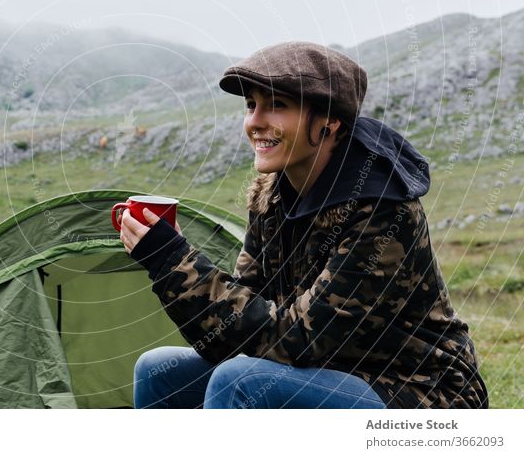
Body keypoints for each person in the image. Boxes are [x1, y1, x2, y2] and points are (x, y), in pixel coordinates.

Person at [119, 41, 489, 409]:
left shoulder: (381, 209)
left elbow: (298, 339)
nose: (254, 122)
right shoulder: (272, 195)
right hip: (322, 371)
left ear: (329, 119)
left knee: (240, 382)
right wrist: (171, 263)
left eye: (276, 105)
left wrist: (174, 261)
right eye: (251, 105)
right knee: (157, 371)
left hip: (419, 392)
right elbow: (236, 329)